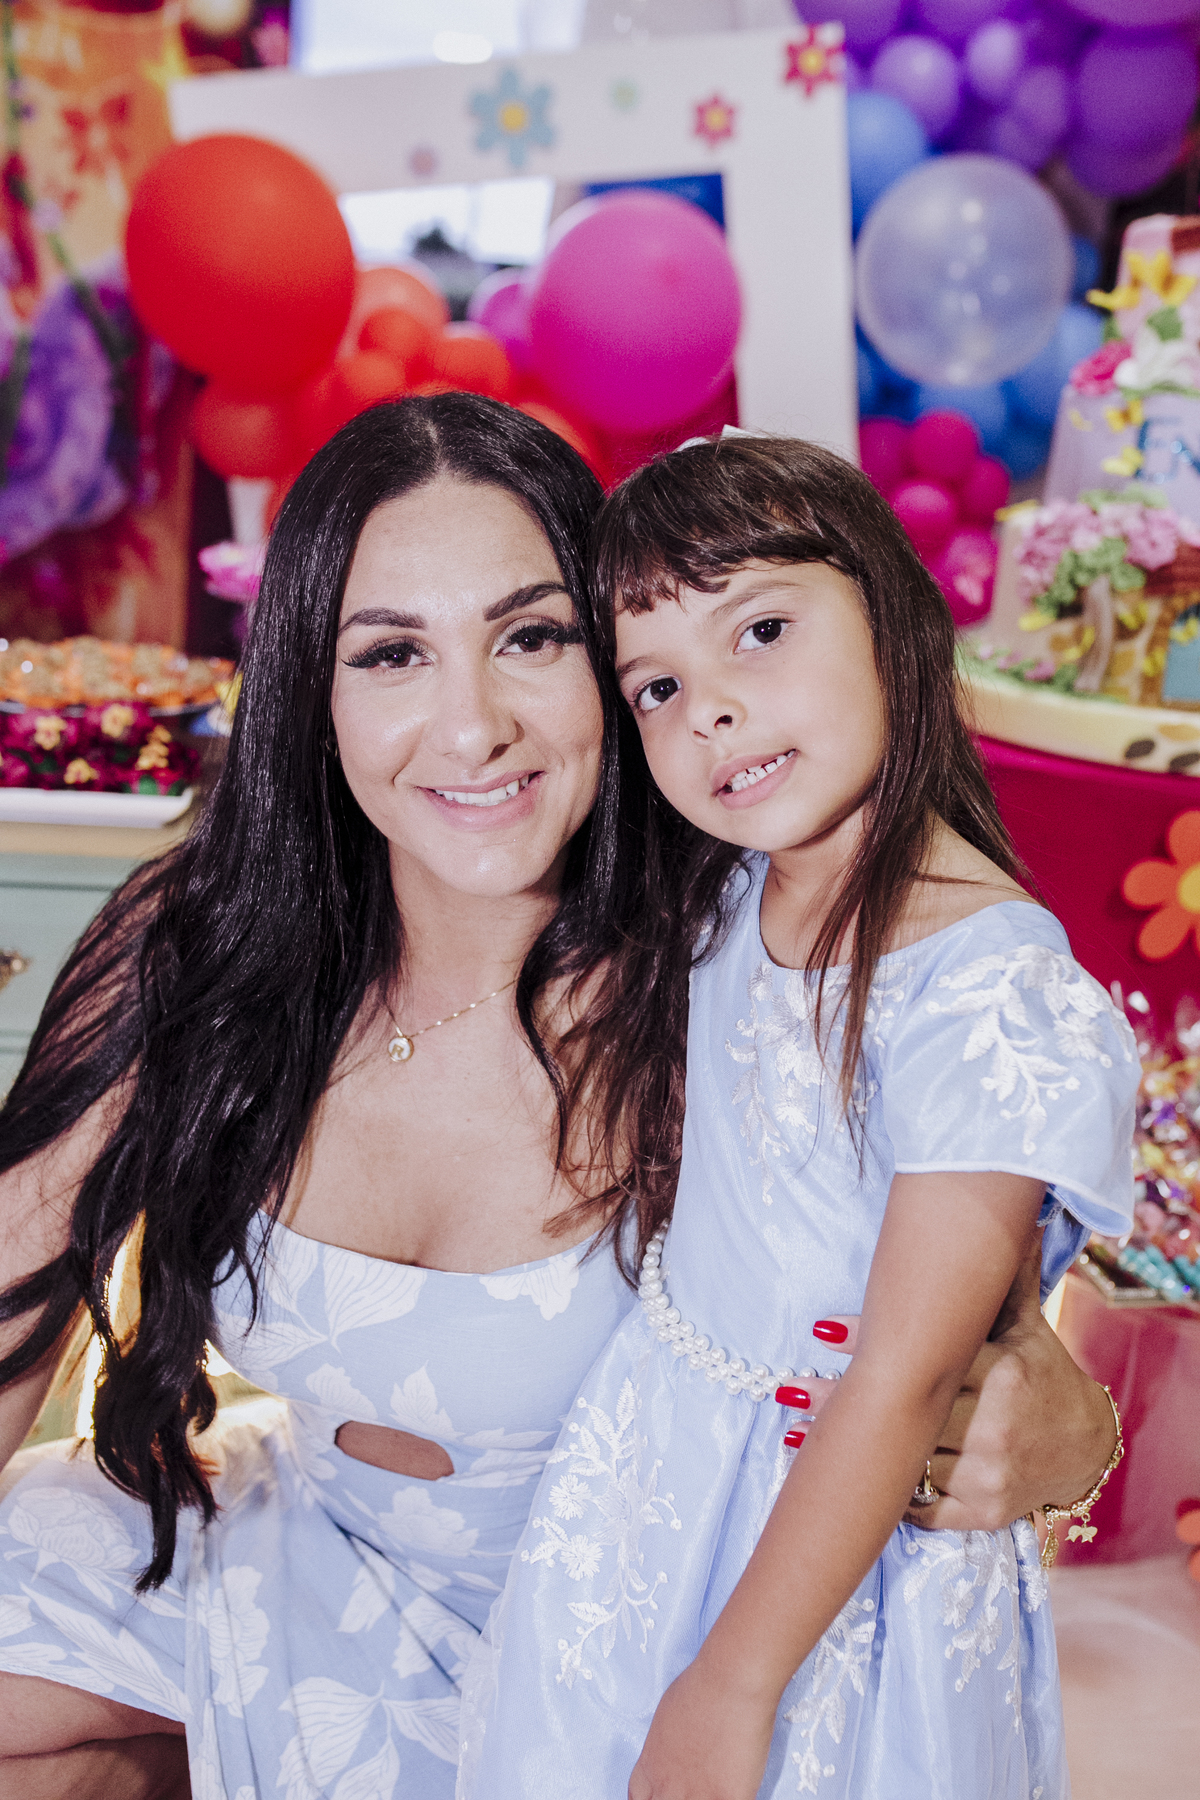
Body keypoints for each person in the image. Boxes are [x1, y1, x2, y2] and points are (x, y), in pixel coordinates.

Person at [0, 400, 1120, 1800]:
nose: (474, 726)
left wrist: (1064, 1427)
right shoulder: (209, 936)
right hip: (303, 1550)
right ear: (308, 689)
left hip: (624, 1650)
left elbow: (955, 1322)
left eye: (532, 638)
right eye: (392, 654)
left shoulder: (743, 953)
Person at [458, 434, 1138, 1800]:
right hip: (654, 1478)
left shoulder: (988, 991)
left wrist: (735, 1683)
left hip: (842, 1537)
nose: (710, 710)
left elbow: (902, 1379)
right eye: (657, 686)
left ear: (891, 615)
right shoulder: (725, 900)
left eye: (761, 630)